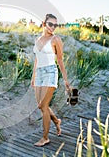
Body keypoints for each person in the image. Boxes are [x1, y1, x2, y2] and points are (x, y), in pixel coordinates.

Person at [31, 13, 70, 147]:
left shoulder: (56, 39)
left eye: (55, 25)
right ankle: (56, 121)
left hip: (50, 72)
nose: (53, 27)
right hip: (39, 73)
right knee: (41, 106)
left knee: (43, 105)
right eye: (50, 24)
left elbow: (60, 60)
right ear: (43, 24)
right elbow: (36, 59)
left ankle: (45, 137)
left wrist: (65, 80)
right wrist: (33, 76)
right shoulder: (38, 39)